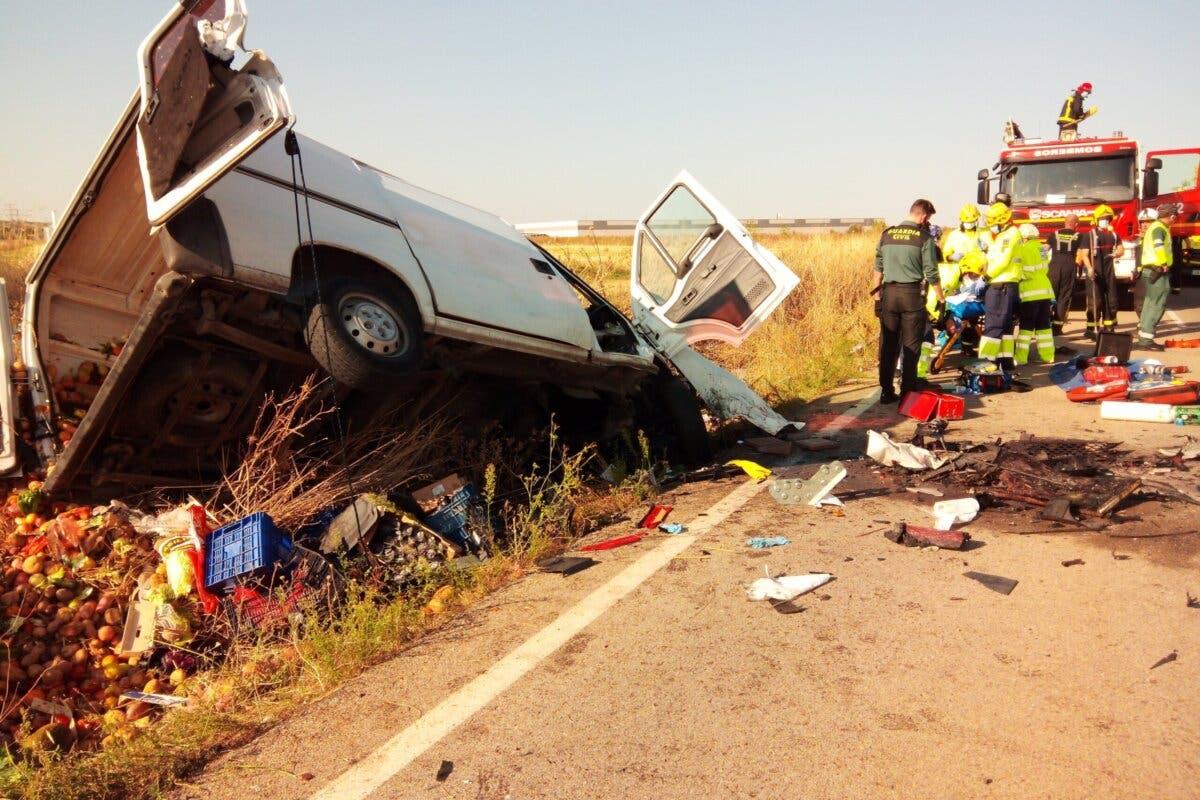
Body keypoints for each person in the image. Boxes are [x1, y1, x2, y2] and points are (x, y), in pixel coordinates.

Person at [874, 199, 943, 403]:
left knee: (888, 345)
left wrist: (877, 299)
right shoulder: (924, 238)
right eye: (928, 218)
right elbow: (931, 272)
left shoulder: (887, 235)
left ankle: (886, 392)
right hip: (911, 295)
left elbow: (877, 269)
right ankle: (907, 392)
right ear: (923, 216)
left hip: (889, 294)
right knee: (912, 346)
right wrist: (941, 298)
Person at [979, 202, 1022, 373]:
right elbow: (996, 256)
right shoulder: (1007, 234)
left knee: (993, 326)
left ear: (1003, 221)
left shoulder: (1009, 235)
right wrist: (986, 250)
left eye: (993, 222)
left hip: (1000, 284)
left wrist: (985, 277)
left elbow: (1002, 261)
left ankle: (986, 361)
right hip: (1006, 285)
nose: (991, 226)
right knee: (1004, 327)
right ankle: (1006, 360)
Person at [1136, 203, 1181, 350]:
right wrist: (1163, 263)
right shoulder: (1159, 228)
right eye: (1175, 217)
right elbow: (1159, 246)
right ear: (1172, 216)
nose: (1175, 220)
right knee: (1157, 304)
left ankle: (1144, 336)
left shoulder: (1155, 227)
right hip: (1158, 269)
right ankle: (1146, 340)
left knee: (1150, 303)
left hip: (1151, 270)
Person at [1078, 204, 1124, 339]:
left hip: (1109, 272)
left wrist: (1116, 254)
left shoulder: (1114, 235)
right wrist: (1090, 269)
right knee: (1095, 301)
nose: (1105, 220)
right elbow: (1084, 254)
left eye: (1107, 218)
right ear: (1097, 220)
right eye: (1102, 218)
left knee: (1111, 300)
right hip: (1095, 272)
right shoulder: (1089, 235)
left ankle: (1108, 326)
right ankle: (1091, 328)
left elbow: (1121, 249)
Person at [1014, 223, 1056, 365]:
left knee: (1026, 327)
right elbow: (1044, 267)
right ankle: (1047, 356)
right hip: (1044, 291)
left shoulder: (1022, 249)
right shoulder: (1042, 248)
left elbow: (1019, 271)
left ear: (1023, 237)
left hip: (1029, 292)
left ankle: (1021, 358)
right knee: (1044, 326)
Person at [1045, 214, 1083, 341]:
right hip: (1069, 266)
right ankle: (1057, 329)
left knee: (1050, 295)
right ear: (1076, 224)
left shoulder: (1053, 234)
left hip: (1054, 266)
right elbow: (1082, 253)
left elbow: (1044, 250)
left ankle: (1044, 325)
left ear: (1064, 222)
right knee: (1064, 297)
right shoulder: (1079, 236)